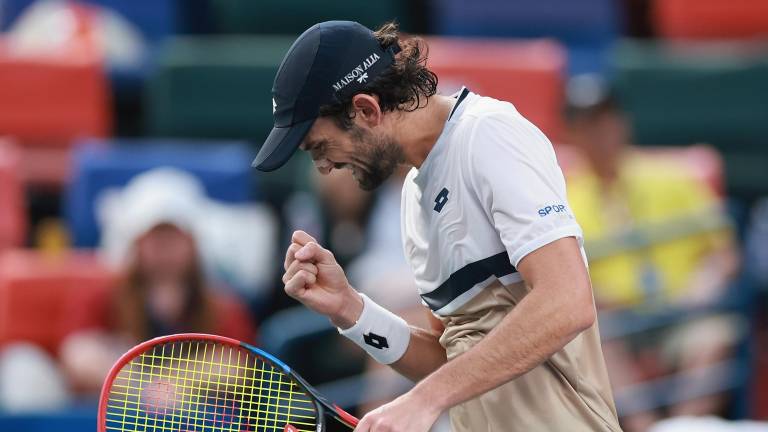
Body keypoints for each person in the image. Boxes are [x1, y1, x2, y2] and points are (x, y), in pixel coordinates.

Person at [254, 21, 621, 431]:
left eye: (321, 147)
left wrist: (424, 400)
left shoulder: (488, 134)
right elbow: (452, 361)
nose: (324, 167)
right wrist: (351, 310)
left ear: (366, 110)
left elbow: (567, 301)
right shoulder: (413, 195)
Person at [563, 75, 742, 431]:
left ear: (622, 123)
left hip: (682, 312)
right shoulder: (563, 197)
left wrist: (705, 282)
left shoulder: (672, 177)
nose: (599, 134)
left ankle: (683, 426)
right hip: (615, 320)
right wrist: (597, 299)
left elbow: (725, 253)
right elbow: (562, 276)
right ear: (572, 133)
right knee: (590, 340)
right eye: (587, 125)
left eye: (605, 120)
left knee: (714, 337)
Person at [59, 168, 255, 393]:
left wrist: (171, 385)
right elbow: (79, 357)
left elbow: (235, 367)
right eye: (155, 238)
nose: (165, 248)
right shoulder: (100, 297)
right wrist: (144, 389)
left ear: (193, 243)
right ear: (136, 244)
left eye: (173, 237)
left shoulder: (223, 306)